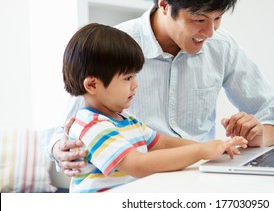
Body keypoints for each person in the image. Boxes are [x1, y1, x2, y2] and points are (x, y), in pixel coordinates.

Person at [45, 0, 274, 176]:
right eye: (199, 20)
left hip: (200, 178)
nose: (210, 32)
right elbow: (63, 130)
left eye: (217, 19)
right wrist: (60, 149)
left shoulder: (222, 46)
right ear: (164, 4)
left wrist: (259, 134)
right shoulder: (114, 48)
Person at [63, 23, 248, 192]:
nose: (135, 85)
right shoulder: (91, 126)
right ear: (93, 85)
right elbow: (138, 164)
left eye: (134, 76)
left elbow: (161, 143)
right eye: (128, 78)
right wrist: (200, 151)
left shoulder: (125, 119)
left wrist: (211, 147)